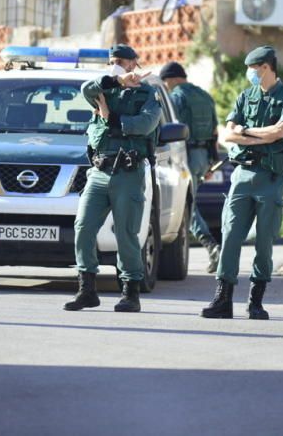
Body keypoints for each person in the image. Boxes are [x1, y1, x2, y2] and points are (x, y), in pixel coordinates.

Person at [201, 46, 283, 320]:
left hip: (270, 178)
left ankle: (255, 302)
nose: (249, 74)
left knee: (264, 242)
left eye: (253, 69)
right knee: (230, 235)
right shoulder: (246, 96)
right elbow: (226, 135)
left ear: (266, 68)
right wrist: (253, 134)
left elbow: (280, 132)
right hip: (242, 176)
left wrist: (244, 131)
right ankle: (222, 299)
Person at [64, 44, 161, 314]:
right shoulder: (104, 87)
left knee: (127, 233)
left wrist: (111, 117)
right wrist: (117, 80)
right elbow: (86, 89)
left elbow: (145, 124)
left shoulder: (147, 93)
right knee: (83, 226)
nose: (114, 64)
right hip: (98, 171)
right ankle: (87, 289)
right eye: (111, 61)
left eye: (120, 61)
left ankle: (130, 292)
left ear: (134, 64)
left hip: (128, 173)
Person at [159, 61, 221, 273]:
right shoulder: (204, 96)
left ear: (172, 79)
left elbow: (177, 131)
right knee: (189, 204)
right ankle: (214, 249)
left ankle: (212, 247)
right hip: (204, 157)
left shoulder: (177, 97)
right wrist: (212, 163)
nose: (166, 87)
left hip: (187, 157)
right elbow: (214, 132)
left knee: (185, 208)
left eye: (166, 82)